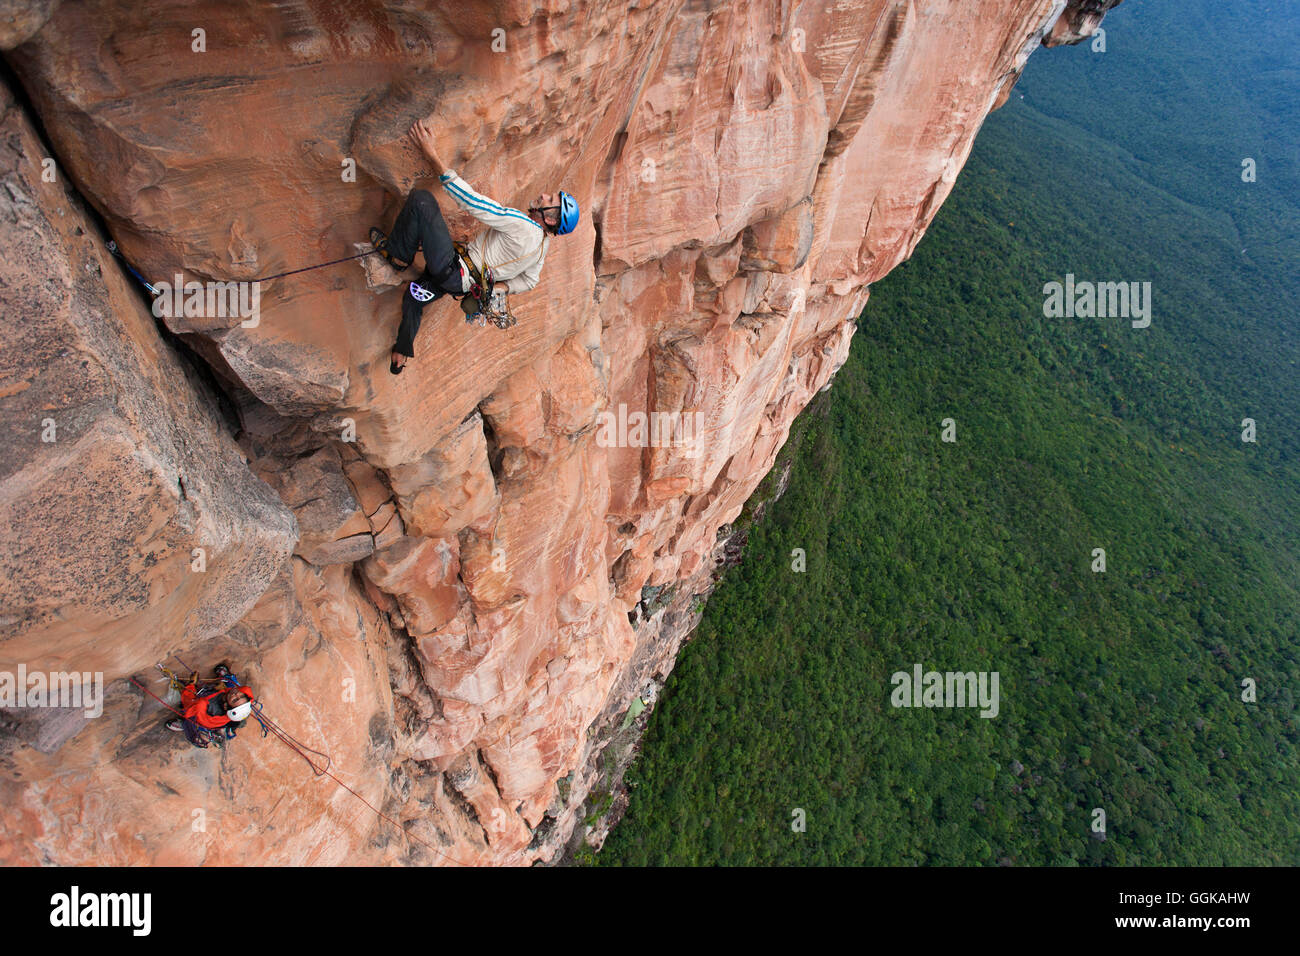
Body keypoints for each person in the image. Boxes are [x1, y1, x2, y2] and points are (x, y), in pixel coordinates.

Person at [369, 118, 580, 374]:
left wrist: (432, 154)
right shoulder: (542, 246)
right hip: (458, 283)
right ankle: (401, 351)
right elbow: (530, 281)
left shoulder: (522, 225)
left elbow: (473, 202)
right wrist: (498, 287)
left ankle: (397, 256)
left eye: (550, 199)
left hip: (453, 269)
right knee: (415, 296)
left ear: (549, 218)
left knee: (422, 201)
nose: (545, 195)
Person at [165, 663, 255, 749]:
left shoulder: (205, 708)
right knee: (235, 687)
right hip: (222, 704)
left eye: (235, 699)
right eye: (242, 696)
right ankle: (226, 677)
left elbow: (189, 701)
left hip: (201, 719)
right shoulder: (233, 697)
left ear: (225, 706)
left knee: (190, 718)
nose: (237, 694)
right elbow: (238, 694)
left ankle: (184, 724)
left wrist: (191, 684)